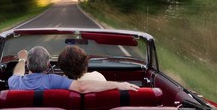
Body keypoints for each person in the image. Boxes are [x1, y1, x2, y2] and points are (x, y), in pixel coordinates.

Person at [8, 46, 138, 93]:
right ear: (48, 65)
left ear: (28, 65)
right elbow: (81, 87)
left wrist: (22, 59)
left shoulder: (14, 82)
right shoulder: (54, 81)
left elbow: (18, 73)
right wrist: (118, 84)